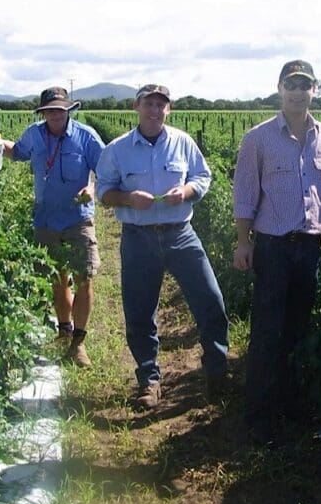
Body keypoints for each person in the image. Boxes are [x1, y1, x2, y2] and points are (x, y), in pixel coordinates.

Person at [232, 59, 321, 447]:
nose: (298, 91)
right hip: (274, 247)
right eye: (291, 84)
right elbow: (245, 196)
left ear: (314, 90)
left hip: (310, 246)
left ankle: (292, 407)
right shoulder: (258, 138)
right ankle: (258, 416)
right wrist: (244, 242)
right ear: (280, 88)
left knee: (299, 329)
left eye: (305, 85)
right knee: (267, 331)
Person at [96, 84, 229, 410]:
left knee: (211, 300)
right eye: (149, 104)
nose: (155, 110)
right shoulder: (117, 149)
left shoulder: (182, 142)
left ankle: (217, 373)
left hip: (180, 234)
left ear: (168, 110)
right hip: (138, 237)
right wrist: (127, 198)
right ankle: (149, 381)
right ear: (136, 107)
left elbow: (203, 176)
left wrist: (185, 193)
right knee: (140, 312)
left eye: (161, 105)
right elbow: (103, 191)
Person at [0, 86, 105, 367]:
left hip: (78, 219)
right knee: (56, 277)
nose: (54, 114)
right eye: (49, 110)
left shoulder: (86, 137)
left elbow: (105, 171)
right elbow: (19, 153)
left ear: (68, 110)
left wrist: (91, 187)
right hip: (45, 219)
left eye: (59, 109)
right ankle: (64, 330)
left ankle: (79, 342)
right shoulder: (34, 134)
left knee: (84, 277)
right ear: (43, 112)